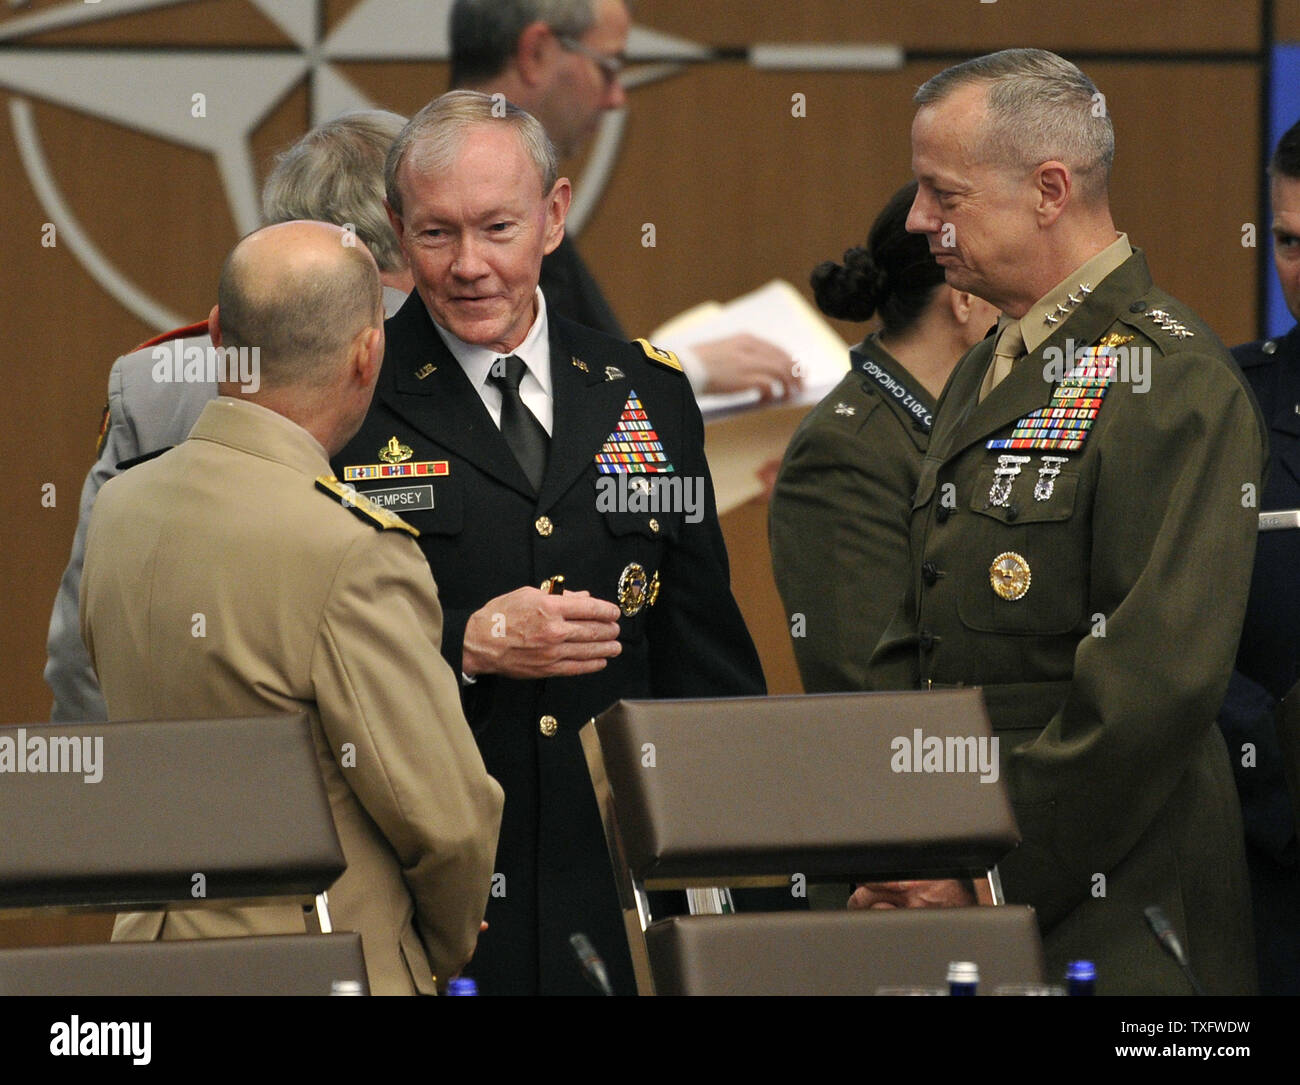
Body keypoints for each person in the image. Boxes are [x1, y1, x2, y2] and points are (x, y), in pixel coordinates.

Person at [334, 90, 765, 995]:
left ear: (554, 216)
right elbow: (310, 642)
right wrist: (465, 643)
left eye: (497, 227)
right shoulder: (351, 397)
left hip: (607, 879)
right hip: (432, 886)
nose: (469, 266)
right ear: (395, 229)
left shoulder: (643, 391)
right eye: (437, 234)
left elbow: (703, 656)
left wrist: (747, 892)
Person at [862, 49, 1263, 995]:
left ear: (1050, 189)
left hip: (1124, 911)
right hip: (971, 890)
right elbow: (923, 633)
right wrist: (892, 838)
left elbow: (1148, 689)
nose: (920, 222)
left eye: (942, 193)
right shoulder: (990, 361)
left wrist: (989, 868)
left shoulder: (1169, 377)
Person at [80, 221, 504, 995]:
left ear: (216, 337)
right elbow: (446, 818)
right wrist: (433, 949)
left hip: (147, 961)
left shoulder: (122, 508)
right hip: (320, 962)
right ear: (367, 353)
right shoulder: (354, 547)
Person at [45, 110, 412, 723]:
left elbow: (84, 655)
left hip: (169, 790)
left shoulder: (152, 384)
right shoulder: (458, 369)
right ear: (408, 228)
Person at [449, 0, 798, 401]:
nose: (616, 97)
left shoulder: (531, 196)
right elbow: (513, 390)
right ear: (536, 53)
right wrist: (683, 368)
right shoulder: (451, 210)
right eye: (608, 67)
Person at [769, 181, 999, 694]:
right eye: (1013, 281)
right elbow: (872, 693)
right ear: (964, 298)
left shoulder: (970, 413)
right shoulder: (842, 451)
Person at [1217, 116, 1300, 996]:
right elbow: (1178, 626)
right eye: (1286, 241)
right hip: (1271, 853)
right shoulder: (1231, 401)